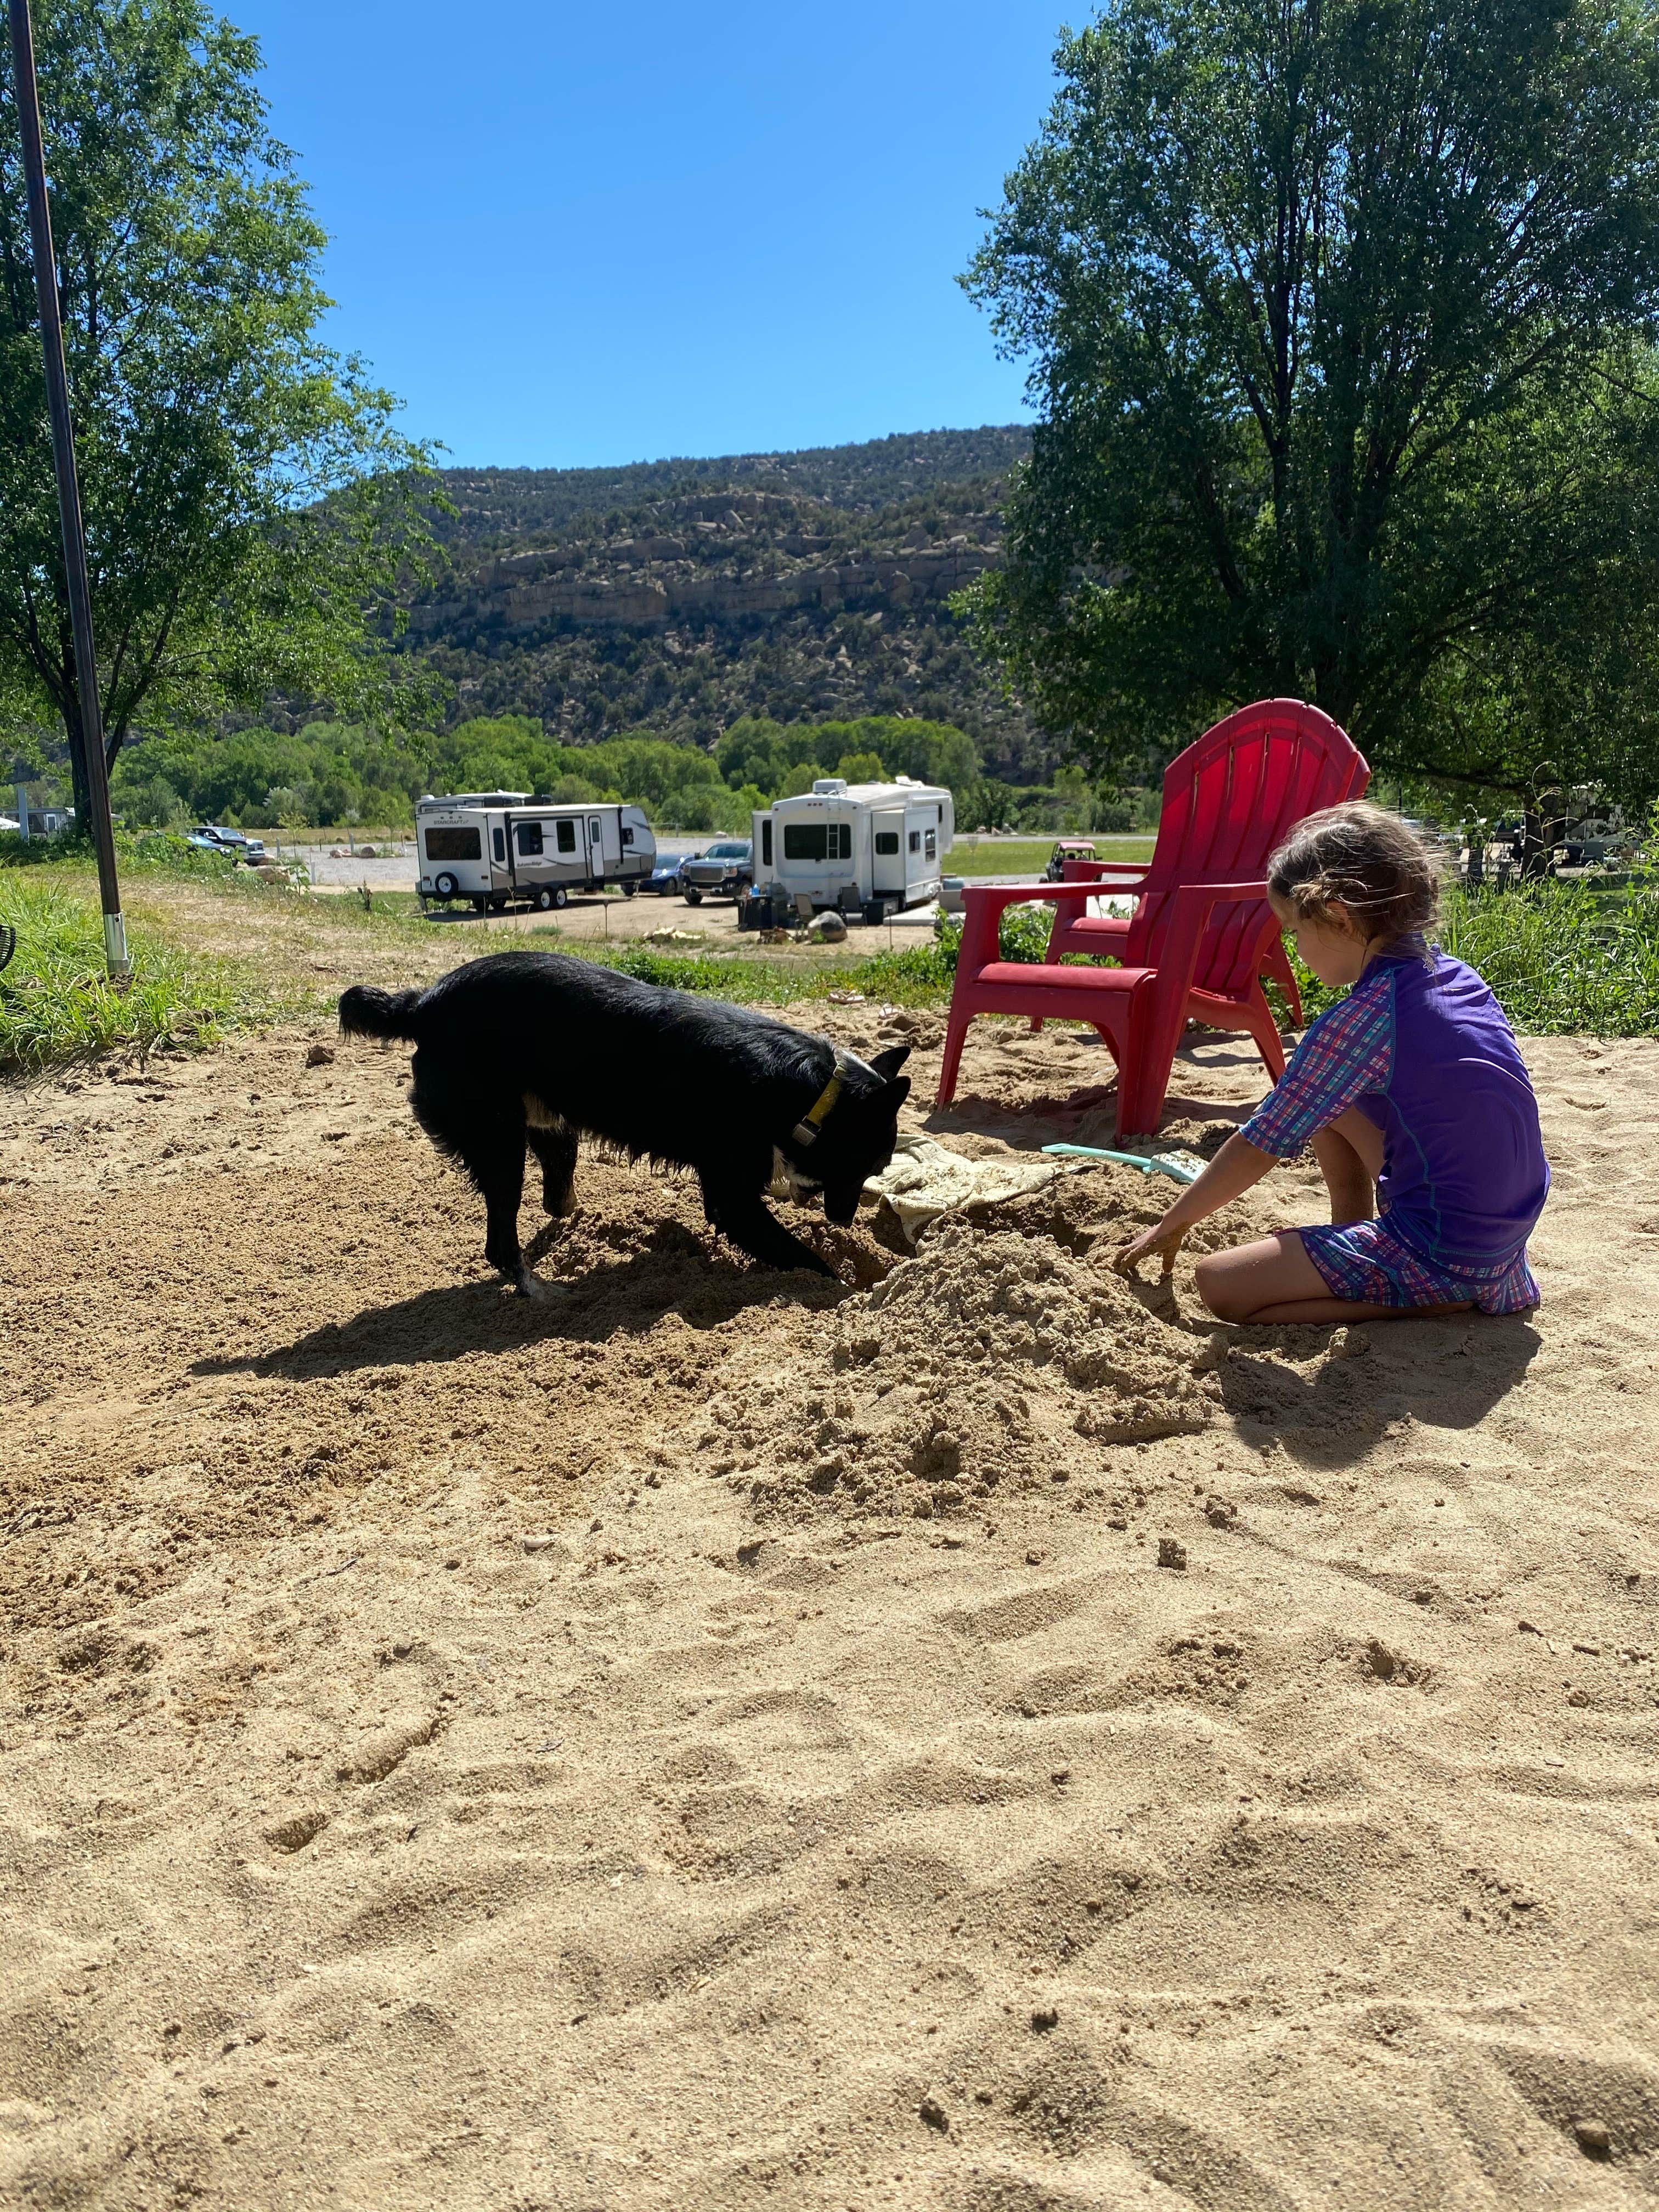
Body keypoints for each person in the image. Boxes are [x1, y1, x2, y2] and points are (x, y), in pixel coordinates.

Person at [1113, 802, 1549, 1324]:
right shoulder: (1458, 976)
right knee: (1330, 1103)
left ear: (1338, 917)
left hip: (1445, 1250)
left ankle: (1424, 1296)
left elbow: (1259, 1143)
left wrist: (1171, 1224)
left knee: (1220, 1286)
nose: (1293, 948)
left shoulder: (1365, 1016)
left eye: (1294, 931)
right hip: (1503, 1232)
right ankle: (1360, 1240)